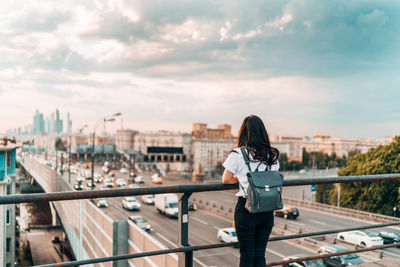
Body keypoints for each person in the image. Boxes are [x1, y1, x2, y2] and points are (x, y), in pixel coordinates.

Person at [222, 115, 280, 267]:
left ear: (243, 133)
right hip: (267, 209)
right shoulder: (272, 155)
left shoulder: (238, 154)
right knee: (260, 255)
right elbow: (271, 177)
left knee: (247, 256)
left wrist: (243, 179)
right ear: (263, 133)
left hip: (246, 209)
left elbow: (226, 180)